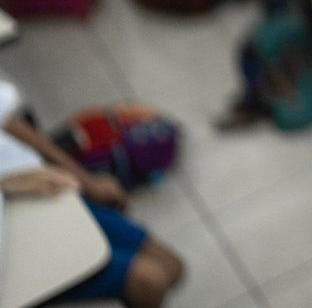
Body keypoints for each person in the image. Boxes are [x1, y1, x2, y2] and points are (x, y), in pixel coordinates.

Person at [0, 81, 184, 307]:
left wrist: (87, 181)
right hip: (13, 240)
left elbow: (7, 119)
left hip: (39, 192)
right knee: (148, 280)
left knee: (171, 267)